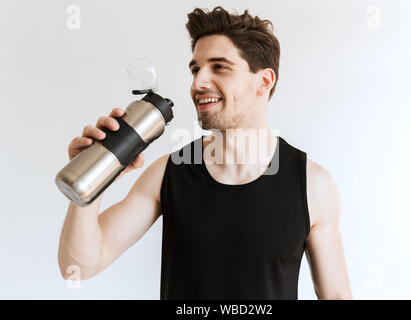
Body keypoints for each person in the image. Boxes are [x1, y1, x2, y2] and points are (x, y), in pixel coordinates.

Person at [58, 6, 352, 300]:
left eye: (219, 67)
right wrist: (93, 177)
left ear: (263, 81)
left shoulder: (312, 184)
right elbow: (79, 265)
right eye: (196, 69)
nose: (198, 83)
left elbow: (337, 296)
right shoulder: (169, 173)